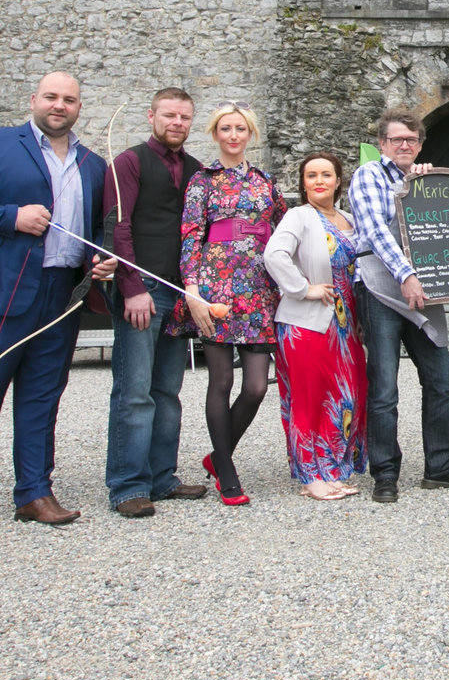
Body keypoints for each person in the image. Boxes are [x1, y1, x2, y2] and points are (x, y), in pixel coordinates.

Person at [0, 71, 118, 541]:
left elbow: (95, 226)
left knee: (41, 400)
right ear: (34, 100)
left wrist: (101, 256)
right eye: (51, 97)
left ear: (79, 107)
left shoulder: (93, 164)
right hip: (0, 294)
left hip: (61, 297)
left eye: (69, 99)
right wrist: (11, 216)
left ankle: (34, 493)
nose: (60, 106)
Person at [348, 109, 449, 503]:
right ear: (383, 144)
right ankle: (385, 473)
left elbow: (448, 227)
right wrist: (406, 275)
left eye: (412, 140)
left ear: (420, 143)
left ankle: (441, 466)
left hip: (423, 289)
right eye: (396, 139)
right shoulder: (368, 176)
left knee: (441, 378)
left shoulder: (422, 179)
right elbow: (374, 230)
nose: (404, 145)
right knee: (385, 386)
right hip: (383, 285)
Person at [170, 100, 288, 506]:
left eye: (240, 129)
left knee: (256, 386)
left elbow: (283, 229)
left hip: (258, 288)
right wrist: (192, 288)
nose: (233, 135)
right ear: (215, 134)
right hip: (216, 284)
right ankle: (227, 469)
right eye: (226, 129)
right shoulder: (202, 181)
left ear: (250, 134)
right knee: (220, 382)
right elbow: (190, 234)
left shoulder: (265, 181)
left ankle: (218, 457)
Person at [101, 87, 207, 518]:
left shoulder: (197, 169)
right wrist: (131, 287)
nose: (176, 123)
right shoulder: (128, 162)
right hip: (142, 289)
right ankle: (128, 485)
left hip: (181, 292)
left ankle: (162, 477)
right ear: (151, 116)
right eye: (169, 115)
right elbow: (118, 227)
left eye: (184, 116)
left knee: (168, 390)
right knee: (134, 392)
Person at [263, 152, 368, 501]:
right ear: (303, 183)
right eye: (311, 176)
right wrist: (302, 288)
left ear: (339, 180)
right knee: (308, 399)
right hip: (306, 322)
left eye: (326, 174)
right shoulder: (298, 216)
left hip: (345, 325)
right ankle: (311, 475)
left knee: (344, 397)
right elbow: (274, 254)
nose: (319, 181)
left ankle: (334, 468)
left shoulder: (350, 219)